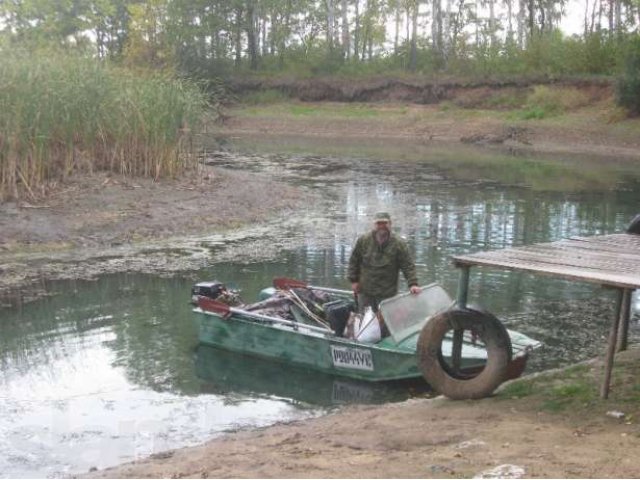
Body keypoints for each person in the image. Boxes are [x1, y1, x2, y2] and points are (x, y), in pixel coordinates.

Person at [347, 212, 420, 335]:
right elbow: (354, 261)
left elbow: (408, 266)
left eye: (384, 223)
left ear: (390, 224)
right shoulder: (363, 241)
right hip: (365, 292)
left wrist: (413, 284)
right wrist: (353, 280)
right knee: (364, 324)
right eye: (378, 223)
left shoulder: (398, 244)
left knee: (386, 327)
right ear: (374, 225)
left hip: (387, 294)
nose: (382, 226)